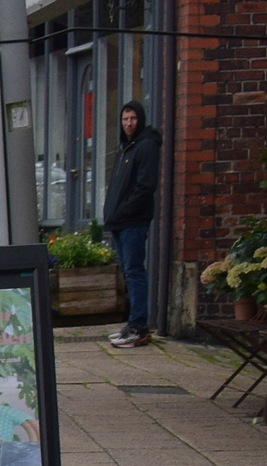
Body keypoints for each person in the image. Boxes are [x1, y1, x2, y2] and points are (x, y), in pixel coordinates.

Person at [103, 101, 161, 348]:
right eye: (125, 119)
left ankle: (139, 326)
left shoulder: (145, 146)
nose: (129, 123)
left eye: (133, 119)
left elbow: (145, 186)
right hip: (119, 222)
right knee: (128, 272)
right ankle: (132, 324)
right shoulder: (127, 147)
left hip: (132, 222)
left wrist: (124, 210)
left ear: (141, 119)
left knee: (134, 271)